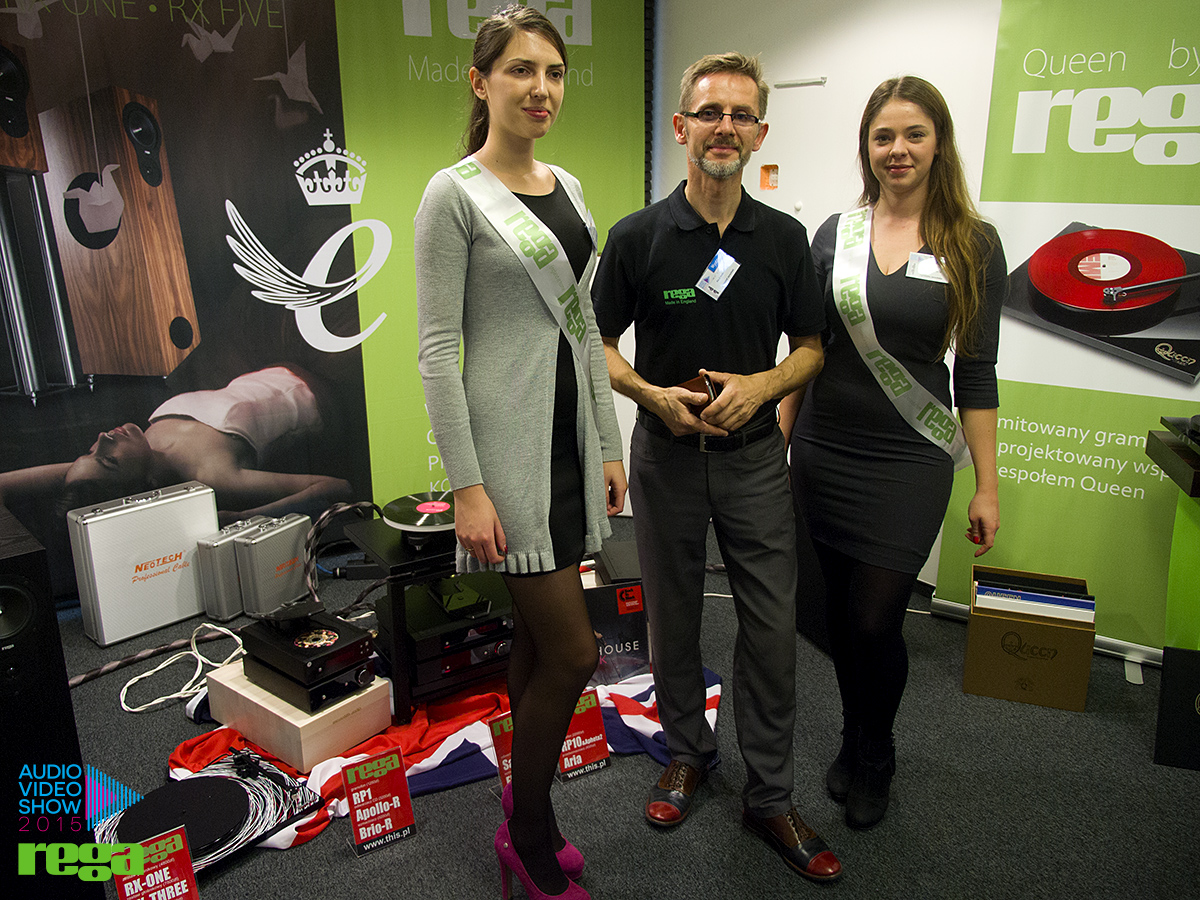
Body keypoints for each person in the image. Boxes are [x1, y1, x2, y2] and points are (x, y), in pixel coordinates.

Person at [592, 53, 841, 884]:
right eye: (709, 113)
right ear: (681, 127)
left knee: (770, 631)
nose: (724, 127)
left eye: (740, 115)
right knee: (672, 620)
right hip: (665, 459)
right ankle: (685, 754)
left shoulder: (785, 240)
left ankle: (770, 796)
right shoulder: (637, 237)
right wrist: (650, 396)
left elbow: (811, 348)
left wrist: (765, 385)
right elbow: (598, 347)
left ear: (760, 132)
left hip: (756, 462)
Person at [412, 7, 626, 900]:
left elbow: (586, 328)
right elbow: (437, 352)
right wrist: (467, 487)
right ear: (481, 81)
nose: (542, 89)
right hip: (507, 460)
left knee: (541, 648)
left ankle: (524, 811)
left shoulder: (567, 186)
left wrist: (608, 440)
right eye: (521, 70)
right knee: (575, 654)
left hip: (569, 445)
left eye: (554, 72)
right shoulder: (452, 194)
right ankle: (528, 836)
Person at [786, 75, 1005, 830]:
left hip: (909, 459)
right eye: (884, 136)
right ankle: (854, 736)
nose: (898, 149)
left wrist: (987, 486)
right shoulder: (835, 234)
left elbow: (977, 371)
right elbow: (808, 348)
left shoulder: (972, 242)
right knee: (837, 617)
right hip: (823, 447)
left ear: (939, 143)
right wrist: (782, 443)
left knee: (877, 618)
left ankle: (877, 752)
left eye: (914, 134)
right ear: (867, 147)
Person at [0, 365, 352, 520]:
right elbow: (337, 487)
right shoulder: (212, 473)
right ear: (147, 485)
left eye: (90, 451)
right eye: (107, 458)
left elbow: (68, 478)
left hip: (263, 364)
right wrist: (244, 517)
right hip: (320, 386)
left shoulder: (138, 452)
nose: (103, 439)